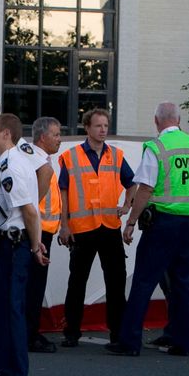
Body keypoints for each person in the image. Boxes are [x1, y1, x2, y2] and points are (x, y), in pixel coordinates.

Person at [106, 102, 189, 357]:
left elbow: (146, 189)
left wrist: (131, 221)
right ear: (180, 120)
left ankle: (129, 342)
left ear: (156, 121)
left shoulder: (156, 147)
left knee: (144, 280)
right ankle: (185, 342)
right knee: (184, 283)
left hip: (163, 223)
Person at [58, 108, 135, 347]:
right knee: (77, 282)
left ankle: (117, 333)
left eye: (105, 126)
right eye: (98, 126)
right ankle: (71, 332)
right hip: (82, 228)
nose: (103, 130)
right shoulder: (71, 156)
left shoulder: (116, 155)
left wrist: (126, 206)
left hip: (109, 226)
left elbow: (132, 184)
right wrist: (64, 225)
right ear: (87, 128)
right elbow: (63, 192)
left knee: (116, 282)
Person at [0, 113, 49, 376]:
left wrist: (35, 245)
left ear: (6, 134)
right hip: (7, 241)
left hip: (14, 243)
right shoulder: (9, 162)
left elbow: (29, 211)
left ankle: (13, 374)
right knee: (4, 308)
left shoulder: (11, 166)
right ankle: (6, 371)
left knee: (11, 310)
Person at [25, 116, 63, 353]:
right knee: (34, 287)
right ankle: (30, 334)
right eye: (56, 135)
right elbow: (33, 201)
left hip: (43, 231)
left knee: (34, 285)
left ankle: (30, 331)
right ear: (42, 137)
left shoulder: (40, 159)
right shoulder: (39, 163)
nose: (60, 140)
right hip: (38, 233)